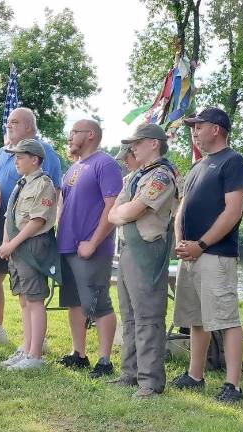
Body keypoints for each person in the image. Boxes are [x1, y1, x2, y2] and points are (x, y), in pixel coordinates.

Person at [171, 107, 243, 403]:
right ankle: (195, 376)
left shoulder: (233, 162)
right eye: (192, 126)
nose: (194, 131)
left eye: (199, 126)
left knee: (226, 319)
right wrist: (181, 241)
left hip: (215, 255)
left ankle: (233, 385)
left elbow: (233, 212)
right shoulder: (197, 166)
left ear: (216, 128)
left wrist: (201, 245)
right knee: (196, 318)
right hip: (190, 254)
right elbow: (181, 209)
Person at [108, 123, 181, 398]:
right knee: (128, 314)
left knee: (148, 316)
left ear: (153, 144)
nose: (132, 148)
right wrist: (124, 213)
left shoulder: (161, 175)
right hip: (127, 248)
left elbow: (136, 209)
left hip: (148, 249)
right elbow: (112, 214)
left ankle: (150, 381)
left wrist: (124, 212)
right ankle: (130, 373)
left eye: (137, 143)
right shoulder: (135, 177)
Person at [0, 107, 62, 345]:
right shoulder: (1, 152)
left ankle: (34, 346)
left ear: (30, 126)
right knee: (4, 282)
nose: (9, 126)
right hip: (3, 228)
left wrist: (15, 239)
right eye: (8, 122)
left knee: (32, 294)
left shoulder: (45, 154)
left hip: (29, 236)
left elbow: (46, 201)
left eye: (15, 122)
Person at [57, 119, 123, 378]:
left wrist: (94, 242)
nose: (70, 137)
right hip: (67, 245)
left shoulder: (105, 164)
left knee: (98, 303)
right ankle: (79, 354)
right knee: (74, 302)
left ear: (91, 135)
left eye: (75, 132)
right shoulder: (74, 166)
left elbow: (112, 207)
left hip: (92, 248)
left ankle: (105, 360)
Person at [0, 139, 59, 370]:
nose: (16, 162)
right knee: (24, 299)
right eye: (15, 157)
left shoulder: (43, 184)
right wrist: (6, 242)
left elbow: (37, 220)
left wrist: (12, 244)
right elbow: (9, 217)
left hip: (31, 246)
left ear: (35, 159)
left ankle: (35, 355)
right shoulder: (20, 184)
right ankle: (26, 348)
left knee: (34, 300)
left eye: (21, 157)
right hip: (16, 246)